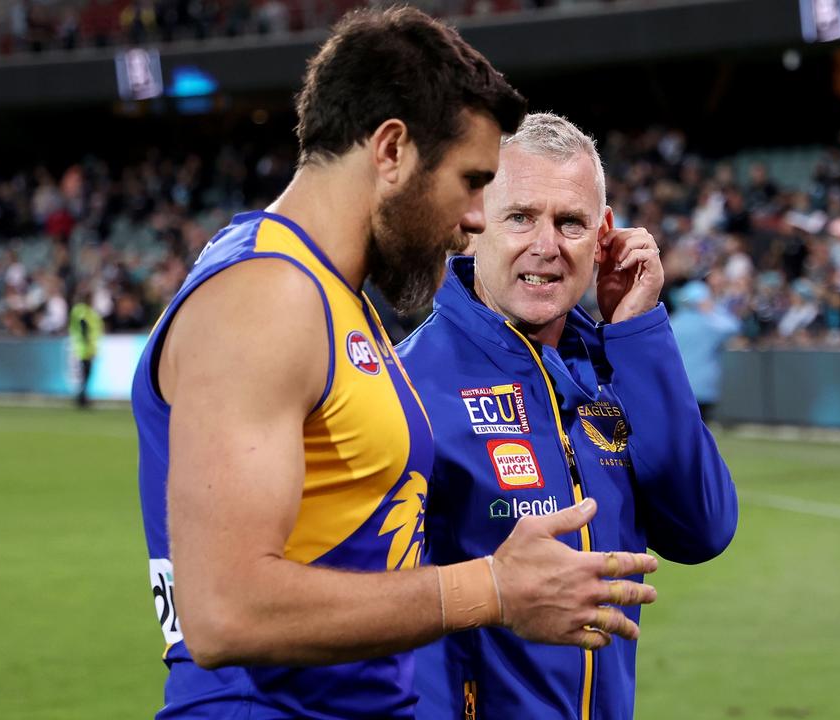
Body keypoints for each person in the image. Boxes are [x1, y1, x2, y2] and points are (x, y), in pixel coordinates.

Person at [130, 10, 659, 720]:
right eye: (472, 180)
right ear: (391, 151)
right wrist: (494, 591)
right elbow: (225, 612)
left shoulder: (335, 298)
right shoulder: (264, 295)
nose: (477, 217)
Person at [397, 113, 738, 720]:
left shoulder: (616, 369)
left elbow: (702, 527)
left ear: (604, 235)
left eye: (571, 222)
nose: (546, 247)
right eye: (521, 216)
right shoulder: (407, 385)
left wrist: (638, 332)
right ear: (473, 225)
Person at [670, 280, 741, 421]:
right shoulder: (710, 325)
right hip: (703, 387)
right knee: (701, 434)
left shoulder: (672, 322)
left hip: (676, 386)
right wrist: (713, 310)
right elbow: (734, 326)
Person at [68, 288, 103, 408]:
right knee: (84, 374)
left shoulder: (86, 311)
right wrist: (87, 342)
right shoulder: (82, 311)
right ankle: (81, 398)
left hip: (86, 348)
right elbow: (84, 327)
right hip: (83, 349)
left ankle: (82, 397)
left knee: (86, 375)